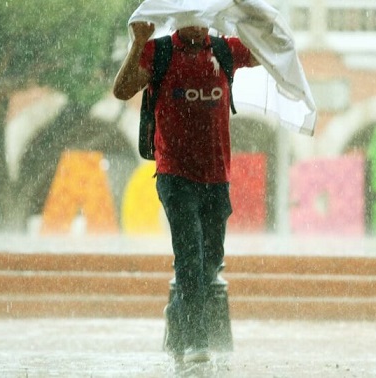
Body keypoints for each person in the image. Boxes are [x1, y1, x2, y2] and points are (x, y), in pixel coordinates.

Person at [112, 19, 259, 363]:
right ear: (179, 16)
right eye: (189, 17)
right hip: (175, 175)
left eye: (202, 16)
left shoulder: (224, 49)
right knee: (190, 259)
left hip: (217, 177)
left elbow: (268, 53)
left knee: (210, 262)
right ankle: (196, 341)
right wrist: (137, 43)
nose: (196, 25)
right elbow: (121, 90)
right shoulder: (159, 50)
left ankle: (177, 314)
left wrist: (249, 15)